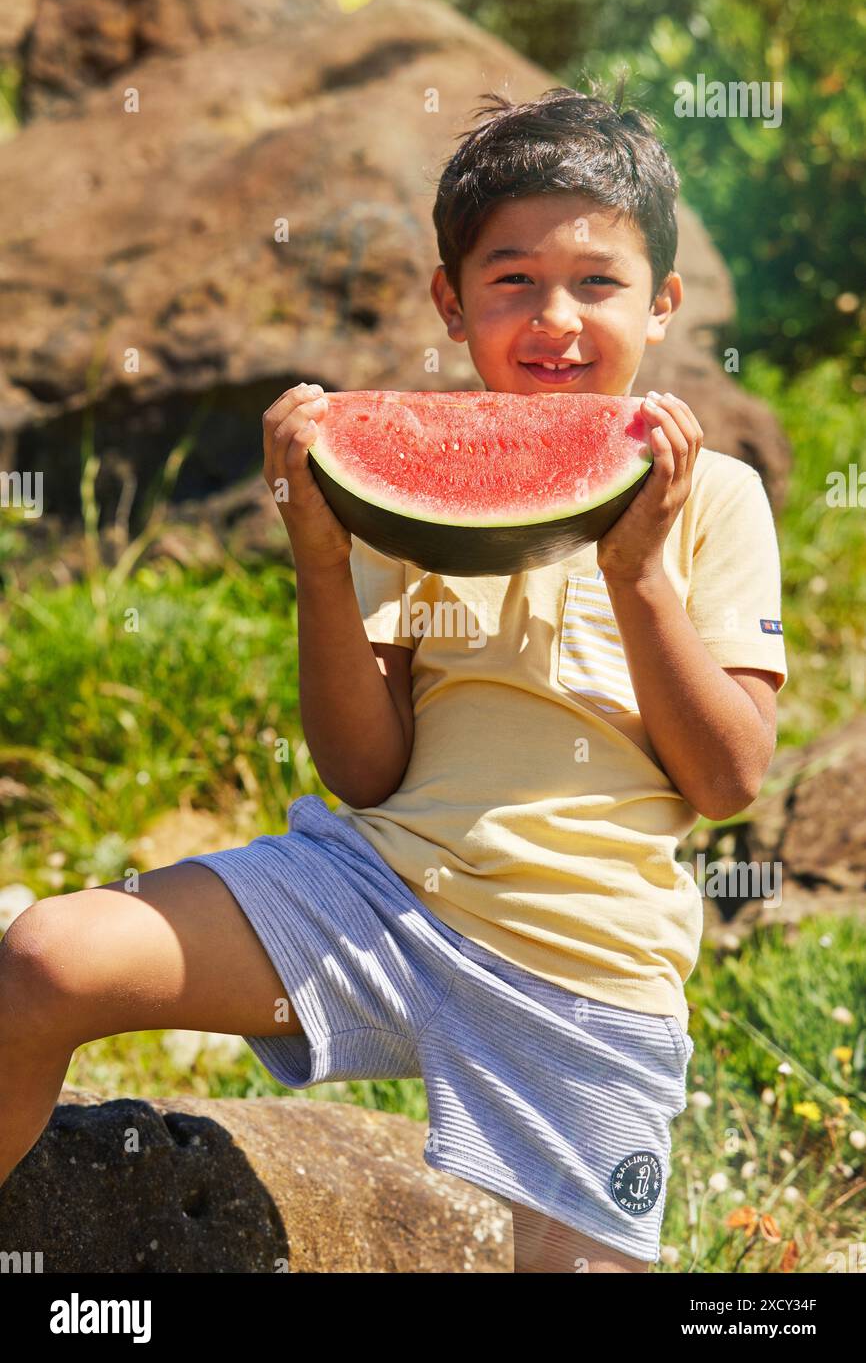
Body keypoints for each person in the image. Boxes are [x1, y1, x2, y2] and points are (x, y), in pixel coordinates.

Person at [0, 85, 787, 1273]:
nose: (554, 318)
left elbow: (726, 776)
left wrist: (639, 580)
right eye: (510, 279)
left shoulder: (712, 497)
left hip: (586, 960)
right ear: (449, 302)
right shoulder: (399, 496)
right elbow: (365, 765)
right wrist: (322, 561)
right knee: (43, 958)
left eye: (596, 283)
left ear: (664, 304)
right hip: (376, 895)